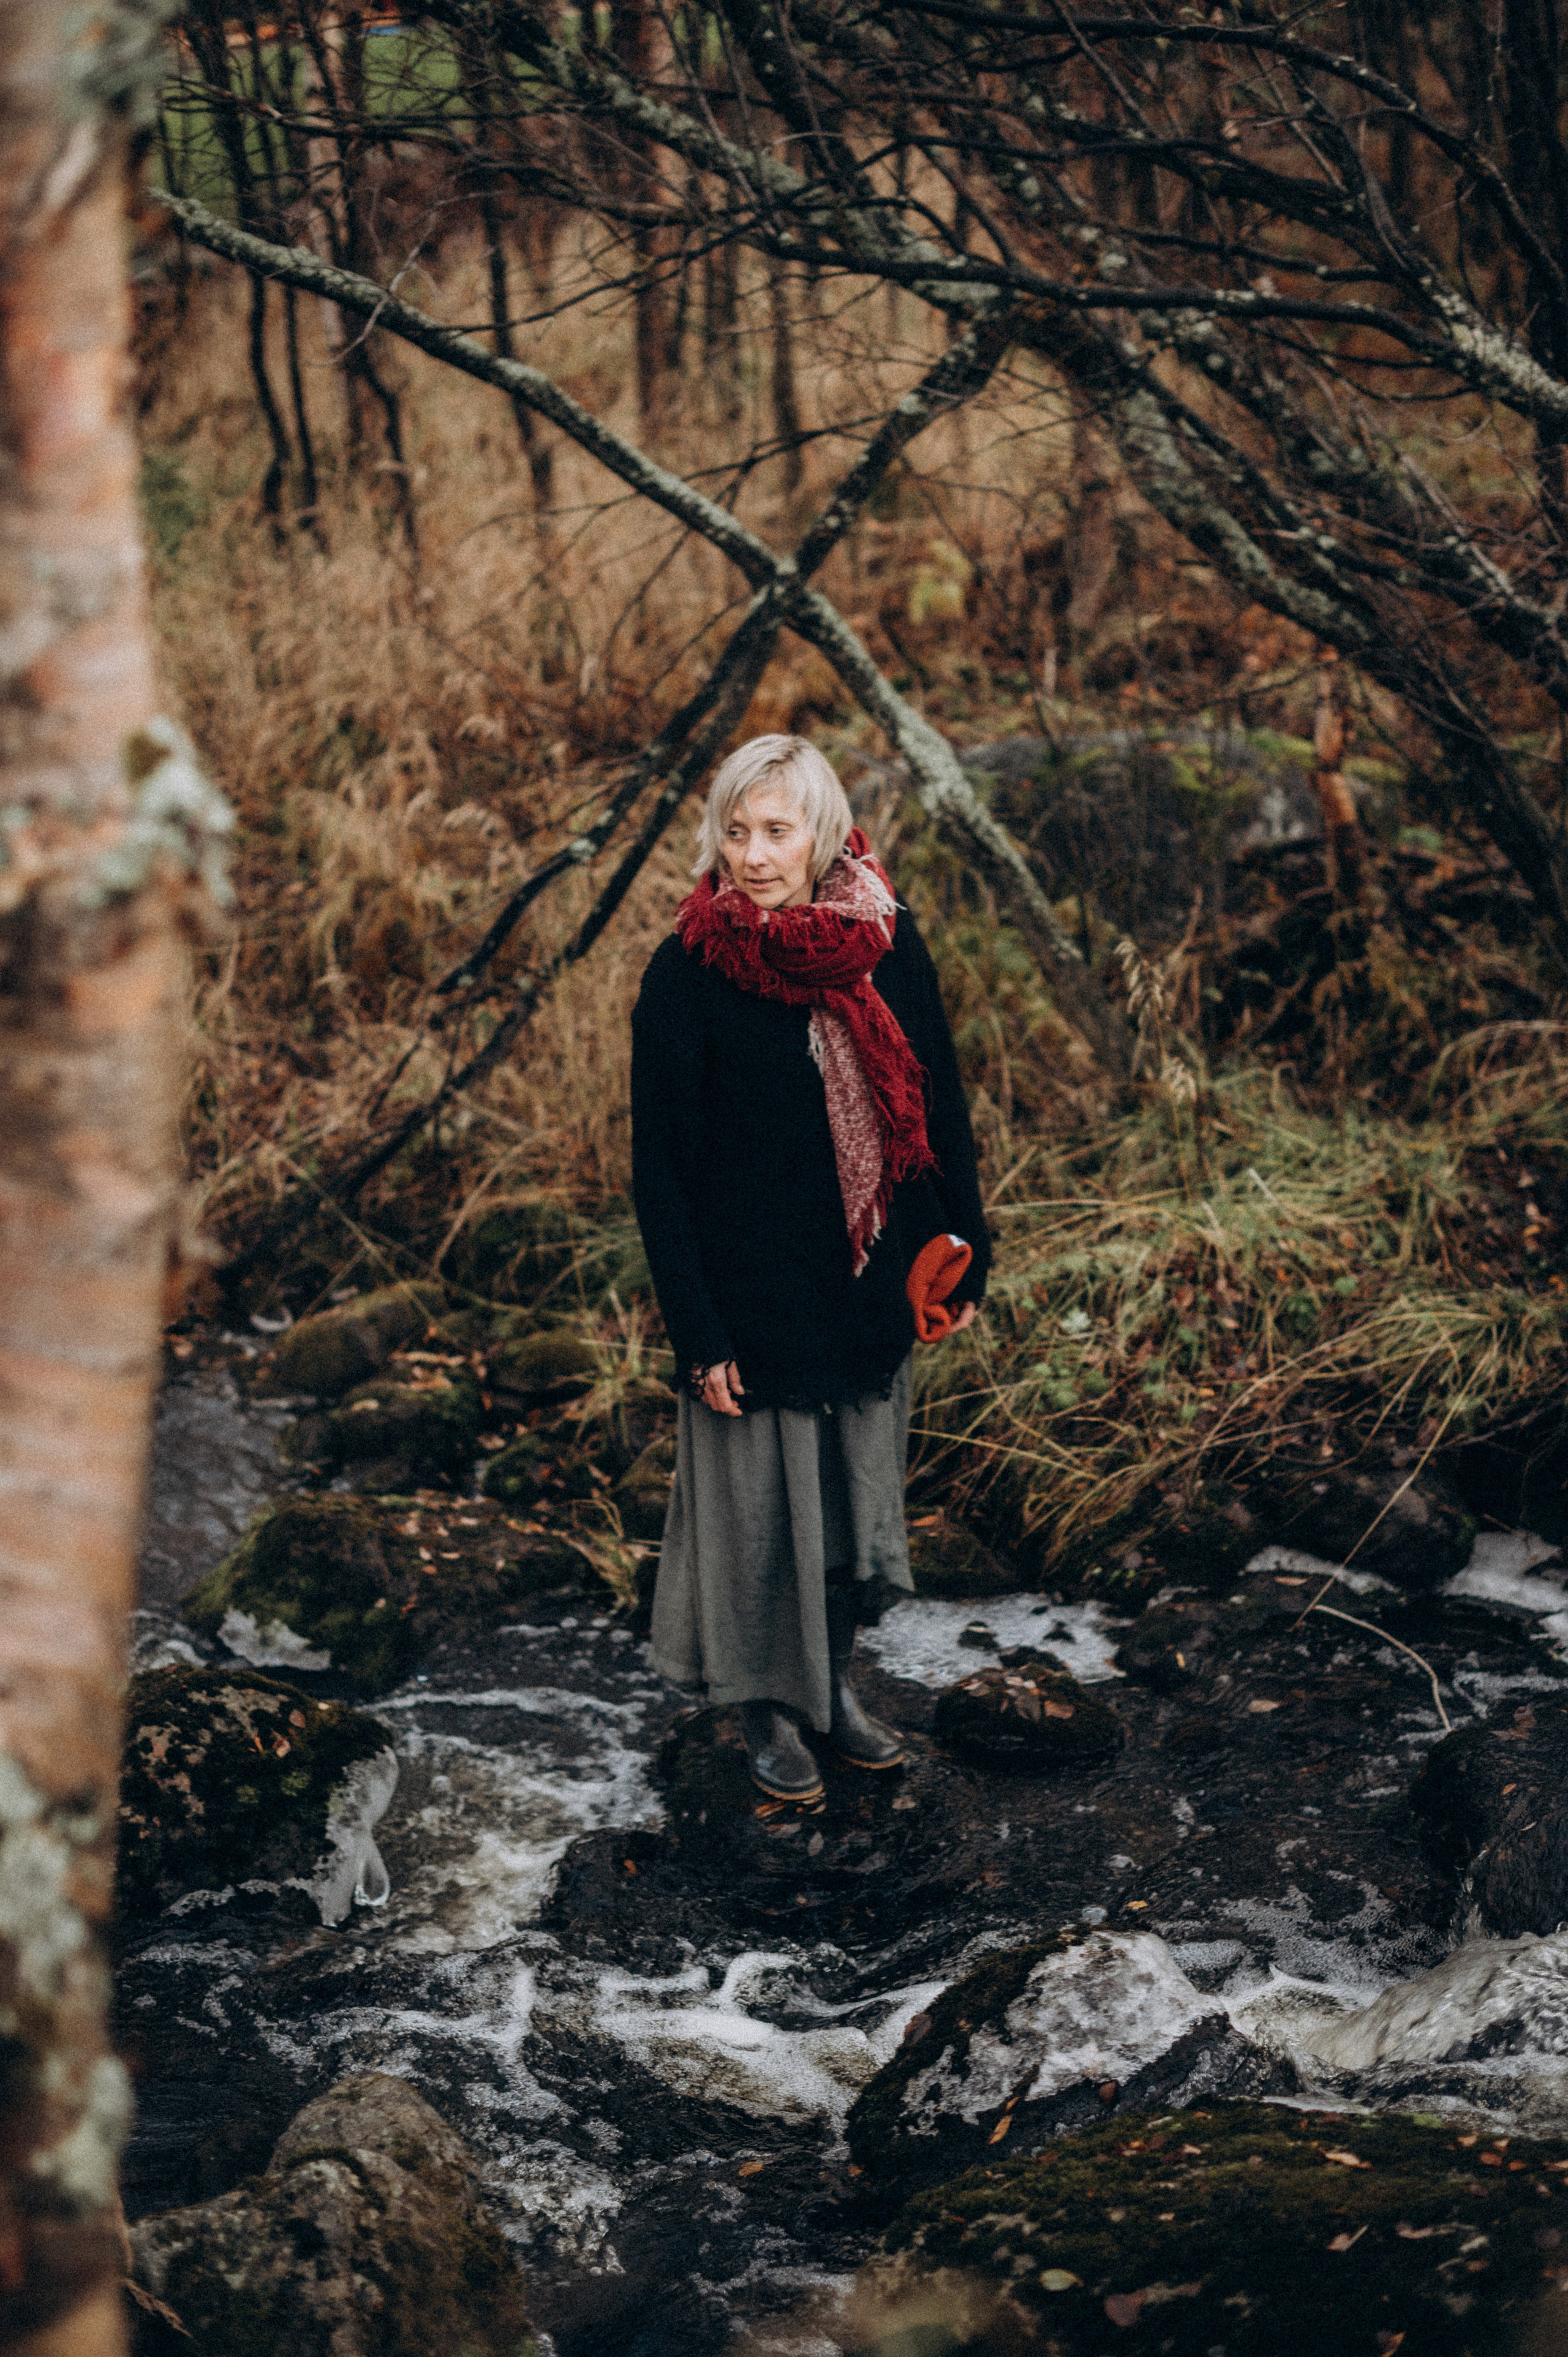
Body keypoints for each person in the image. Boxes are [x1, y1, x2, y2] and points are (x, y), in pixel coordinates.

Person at [630, 734, 990, 1801]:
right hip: (751, 1303)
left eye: (776, 831)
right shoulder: (686, 972)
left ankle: (831, 1690)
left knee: (841, 1509)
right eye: (735, 832)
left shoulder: (885, 938)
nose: (752, 854)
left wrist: (967, 1254)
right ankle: (768, 1711)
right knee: (757, 1524)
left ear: (821, 832)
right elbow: (660, 1173)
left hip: (870, 1284)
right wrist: (699, 1334)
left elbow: (939, 1101)